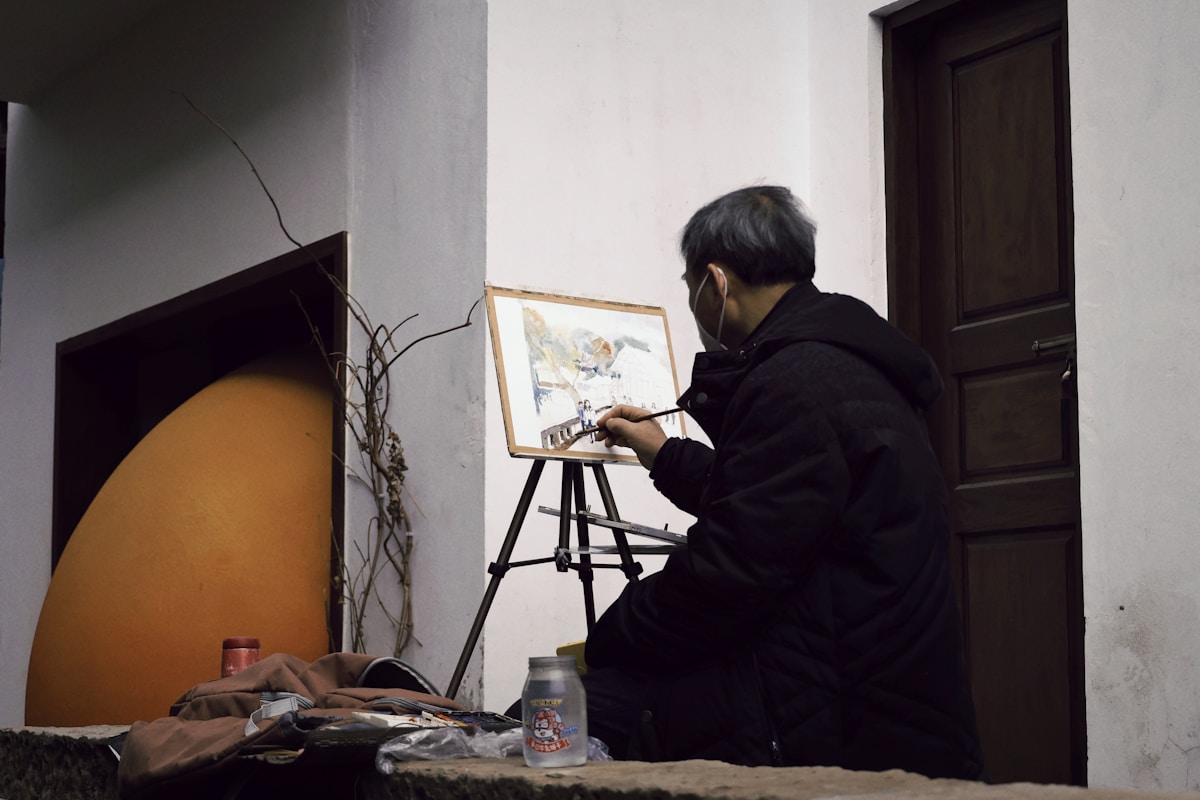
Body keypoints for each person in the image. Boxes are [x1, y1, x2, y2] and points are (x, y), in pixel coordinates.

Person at [582, 185, 984, 779]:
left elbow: (727, 573)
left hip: (839, 712)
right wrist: (662, 452)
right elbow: (773, 500)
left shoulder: (793, 382)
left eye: (690, 286)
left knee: (579, 709)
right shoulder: (845, 361)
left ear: (715, 283)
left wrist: (607, 637)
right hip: (886, 683)